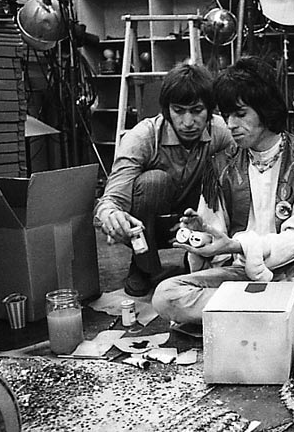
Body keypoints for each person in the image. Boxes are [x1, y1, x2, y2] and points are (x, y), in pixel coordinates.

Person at [152, 56, 294, 325]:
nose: (231, 124)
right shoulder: (221, 165)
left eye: (240, 114)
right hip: (238, 275)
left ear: (265, 109)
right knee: (166, 295)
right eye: (226, 116)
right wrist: (200, 236)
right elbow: (217, 246)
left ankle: (263, 307)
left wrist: (240, 244)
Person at [94, 62, 234, 297]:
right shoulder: (142, 136)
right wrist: (111, 216)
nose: (188, 122)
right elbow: (111, 199)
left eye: (197, 110)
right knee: (153, 182)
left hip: (197, 219)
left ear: (210, 110)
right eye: (179, 111)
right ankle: (143, 266)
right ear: (166, 111)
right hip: (150, 225)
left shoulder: (222, 132)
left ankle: (199, 256)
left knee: (226, 172)